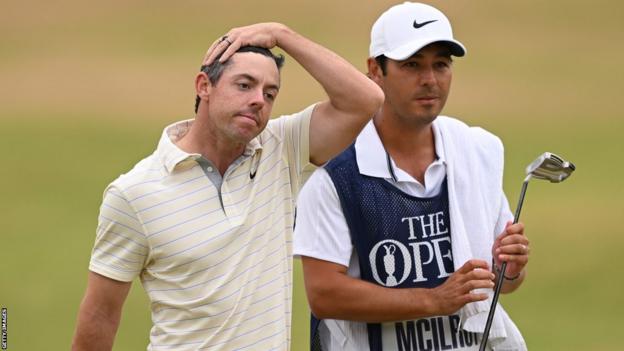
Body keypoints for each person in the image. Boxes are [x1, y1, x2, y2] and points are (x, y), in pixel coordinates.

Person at [71, 22, 384, 350]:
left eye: (270, 93)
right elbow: (100, 315)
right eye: (245, 85)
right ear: (204, 86)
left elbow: (367, 100)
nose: (258, 101)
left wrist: (282, 35)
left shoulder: (282, 148)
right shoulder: (134, 193)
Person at [294, 3, 530, 350]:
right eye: (412, 65)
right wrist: (435, 299)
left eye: (441, 65)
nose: (430, 80)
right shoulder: (337, 178)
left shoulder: (475, 151)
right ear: (375, 70)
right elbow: (325, 295)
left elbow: (499, 284)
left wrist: (510, 269)